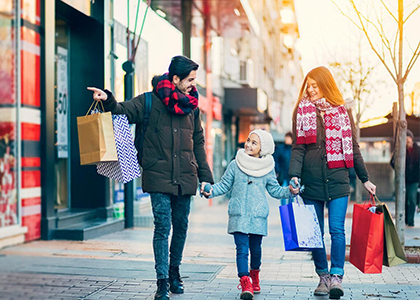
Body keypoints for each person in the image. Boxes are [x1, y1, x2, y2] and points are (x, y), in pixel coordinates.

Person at [87, 56, 214, 300]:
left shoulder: (192, 107)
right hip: (157, 175)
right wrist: (108, 99)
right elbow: (122, 110)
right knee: (162, 227)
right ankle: (162, 281)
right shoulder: (148, 101)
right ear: (175, 79)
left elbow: (198, 143)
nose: (192, 84)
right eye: (189, 79)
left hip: (185, 176)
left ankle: (175, 272)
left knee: (182, 227)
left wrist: (205, 177)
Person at [288, 66, 376, 300]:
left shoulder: (343, 111)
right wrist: (294, 175)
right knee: (315, 233)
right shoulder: (302, 111)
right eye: (309, 85)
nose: (311, 89)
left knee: (337, 230)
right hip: (312, 180)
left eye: (315, 85)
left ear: (326, 85)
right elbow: (298, 147)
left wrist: (365, 179)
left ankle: (336, 276)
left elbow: (353, 147)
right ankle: (322, 276)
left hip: (338, 179)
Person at [202, 130, 298, 300]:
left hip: (257, 215)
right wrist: (211, 191)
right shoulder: (235, 164)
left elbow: (275, 190)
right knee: (241, 249)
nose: (249, 144)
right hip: (238, 213)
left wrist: (289, 191)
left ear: (264, 148)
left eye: (254, 143)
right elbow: (224, 185)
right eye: (248, 140)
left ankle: (254, 275)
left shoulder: (268, 168)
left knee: (256, 250)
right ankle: (245, 281)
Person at [390, 129, 420, 227]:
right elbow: (392, 162)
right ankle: (406, 220)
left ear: (412, 139)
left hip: (414, 179)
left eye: (408, 139)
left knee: (412, 199)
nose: (407, 142)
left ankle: (410, 221)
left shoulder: (418, 149)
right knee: (404, 199)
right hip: (403, 179)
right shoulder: (400, 150)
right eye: (405, 140)